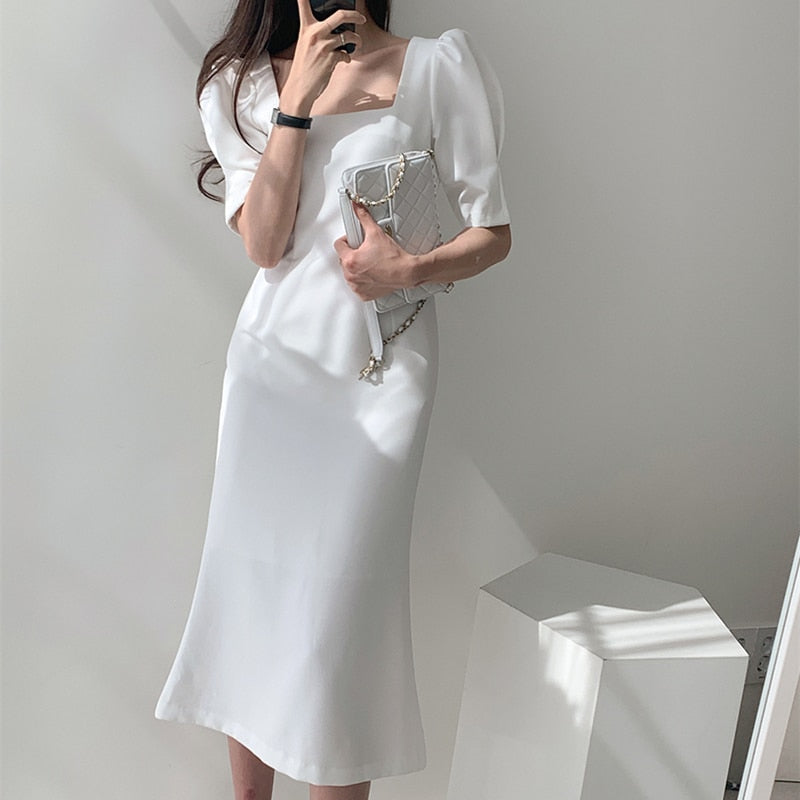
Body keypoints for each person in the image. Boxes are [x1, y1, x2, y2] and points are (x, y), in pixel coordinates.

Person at [154, 0, 512, 798]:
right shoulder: (240, 84)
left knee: (343, 620)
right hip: (274, 375)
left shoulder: (438, 67)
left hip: (383, 377)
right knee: (254, 590)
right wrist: (297, 102)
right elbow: (264, 244)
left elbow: (493, 232)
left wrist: (407, 271)